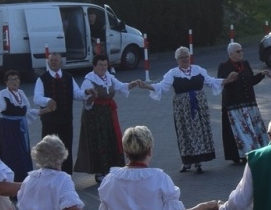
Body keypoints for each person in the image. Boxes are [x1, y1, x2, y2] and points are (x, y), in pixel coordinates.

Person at [147, 46, 225, 173]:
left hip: (200, 105)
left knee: (199, 131)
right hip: (182, 108)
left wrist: (227, 80)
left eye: (186, 56)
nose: (185, 59)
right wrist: (146, 86)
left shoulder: (198, 70)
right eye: (181, 57)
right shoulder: (172, 73)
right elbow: (161, 87)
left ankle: (199, 161)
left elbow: (211, 82)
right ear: (177, 60)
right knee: (185, 132)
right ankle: (187, 161)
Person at [80, 54, 152, 182]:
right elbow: (85, 101)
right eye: (100, 65)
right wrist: (91, 95)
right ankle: (99, 171)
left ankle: (112, 167)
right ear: (94, 66)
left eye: (105, 65)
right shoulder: (88, 80)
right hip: (94, 116)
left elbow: (122, 87)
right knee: (99, 141)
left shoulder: (110, 78)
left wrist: (134, 83)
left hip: (108, 112)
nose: (103, 67)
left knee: (111, 138)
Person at [33, 51, 86, 174]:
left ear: (61, 62)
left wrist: (86, 93)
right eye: (51, 60)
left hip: (66, 120)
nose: (53, 62)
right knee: (48, 148)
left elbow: (77, 94)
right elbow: (37, 98)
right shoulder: (42, 79)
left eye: (56, 60)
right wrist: (47, 100)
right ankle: (47, 173)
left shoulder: (68, 77)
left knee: (66, 147)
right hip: (49, 121)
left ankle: (66, 174)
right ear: (48, 62)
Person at [217, 41, 267, 165]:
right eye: (238, 51)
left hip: (249, 103)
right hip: (234, 105)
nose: (241, 53)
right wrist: (229, 79)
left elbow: (251, 81)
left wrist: (262, 74)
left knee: (253, 128)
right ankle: (241, 154)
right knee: (238, 130)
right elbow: (220, 82)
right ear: (230, 53)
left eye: (241, 50)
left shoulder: (245, 64)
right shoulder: (224, 66)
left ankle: (255, 150)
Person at [0, 70, 35, 184]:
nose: (14, 82)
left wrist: (45, 110)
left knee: (23, 156)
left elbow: (28, 112)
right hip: (7, 131)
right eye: (11, 80)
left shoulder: (21, 93)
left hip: (20, 130)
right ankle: (12, 185)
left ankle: (24, 184)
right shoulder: (2, 95)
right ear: (6, 82)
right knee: (12, 157)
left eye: (16, 79)